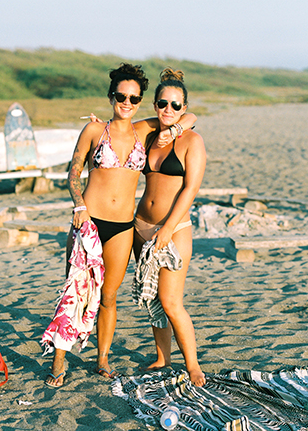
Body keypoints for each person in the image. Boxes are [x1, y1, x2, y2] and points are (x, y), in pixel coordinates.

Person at [45, 63, 197, 388]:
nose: (126, 102)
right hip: (89, 221)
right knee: (76, 291)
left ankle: (102, 358)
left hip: (123, 227)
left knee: (108, 296)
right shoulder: (92, 131)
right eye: (120, 96)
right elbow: (72, 173)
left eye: (134, 98)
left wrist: (174, 129)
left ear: (141, 101)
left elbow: (187, 118)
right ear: (111, 95)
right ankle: (59, 360)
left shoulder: (145, 130)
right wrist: (79, 205)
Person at [133, 68, 206, 386]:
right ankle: (163, 357)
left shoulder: (192, 140)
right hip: (140, 226)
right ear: (155, 105)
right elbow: (121, 129)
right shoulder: (150, 136)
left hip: (174, 229)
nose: (168, 110)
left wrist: (167, 229)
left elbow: (190, 189)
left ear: (184, 108)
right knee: (152, 298)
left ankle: (193, 366)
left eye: (176, 105)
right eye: (163, 103)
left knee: (171, 300)